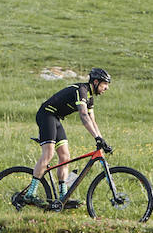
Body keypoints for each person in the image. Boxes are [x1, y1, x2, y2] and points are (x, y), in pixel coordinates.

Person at [23, 68, 111, 202]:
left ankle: (63, 196)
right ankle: (30, 193)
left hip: (55, 118)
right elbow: (83, 115)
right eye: (105, 84)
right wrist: (96, 137)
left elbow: (92, 120)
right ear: (96, 82)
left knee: (65, 156)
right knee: (48, 154)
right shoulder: (81, 90)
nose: (107, 88)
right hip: (46, 114)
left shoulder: (89, 98)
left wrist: (101, 139)